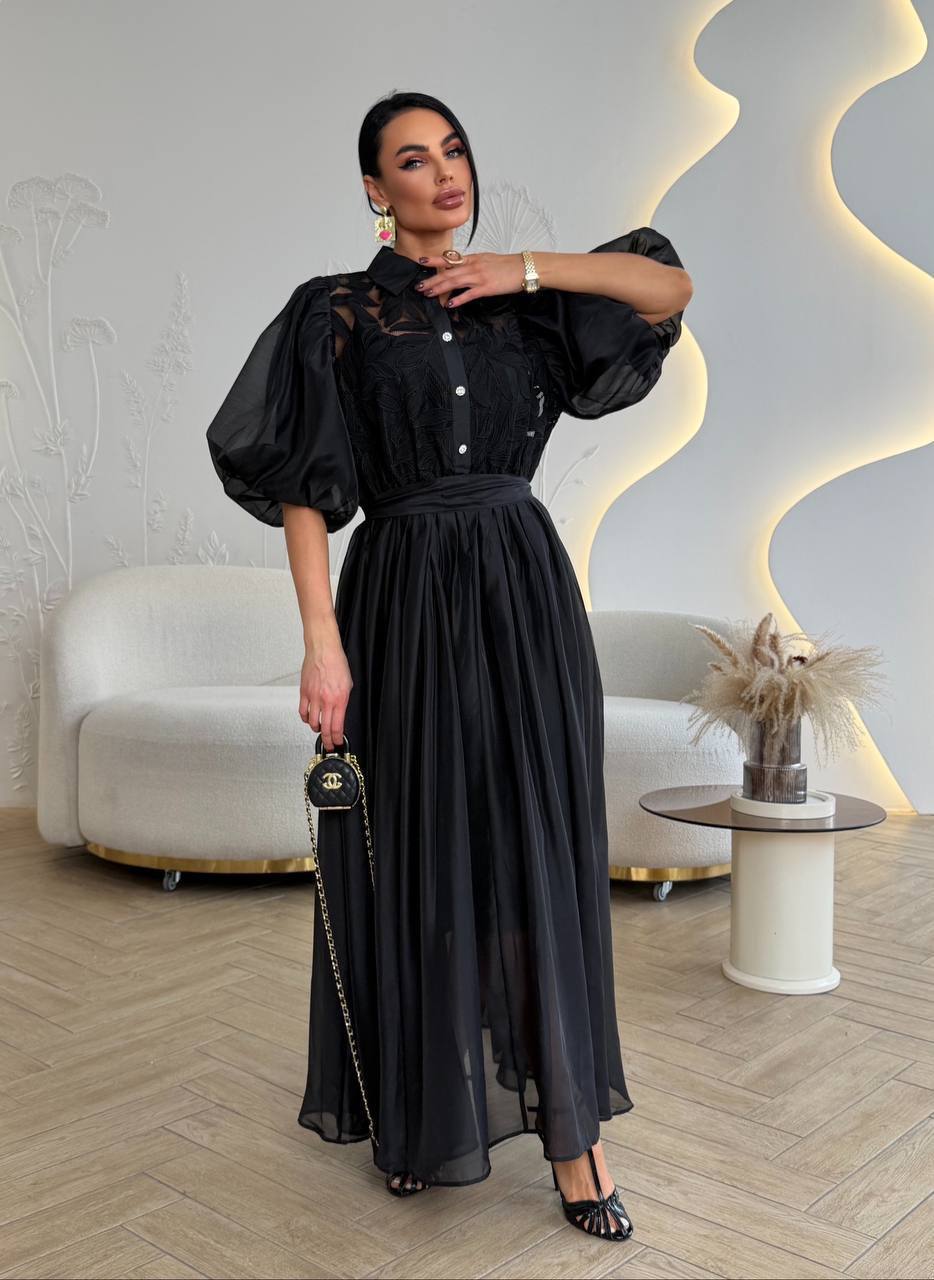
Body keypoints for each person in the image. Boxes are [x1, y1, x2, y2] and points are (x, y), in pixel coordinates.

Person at [206, 90, 691, 1243]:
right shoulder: (335, 311)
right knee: (422, 847)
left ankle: (574, 1137)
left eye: (455, 149)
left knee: (533, 849)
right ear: (376, 190)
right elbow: (302, 489)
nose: (443, 171)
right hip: (404, 596)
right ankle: (422, 1113)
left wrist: (523, 267)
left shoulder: (529, 306)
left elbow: (666, 289)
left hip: (524, 597)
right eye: (413, 159)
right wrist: (321, 642)